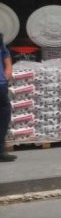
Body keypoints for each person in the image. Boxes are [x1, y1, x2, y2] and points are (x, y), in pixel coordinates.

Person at [1, 34, 14, 162]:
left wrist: (8, 70)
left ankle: (0, 151)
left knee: (4, 116)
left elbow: (6, 55)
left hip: (0, 85)